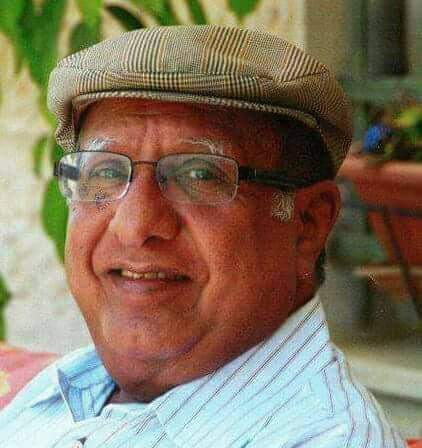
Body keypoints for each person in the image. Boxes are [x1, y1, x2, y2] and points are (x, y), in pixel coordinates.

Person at [0, 25, 406, 447]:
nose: (134, 226)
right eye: (105, 171)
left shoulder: (325, 438)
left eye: (199, 175)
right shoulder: (66, 391)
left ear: (308, 225)